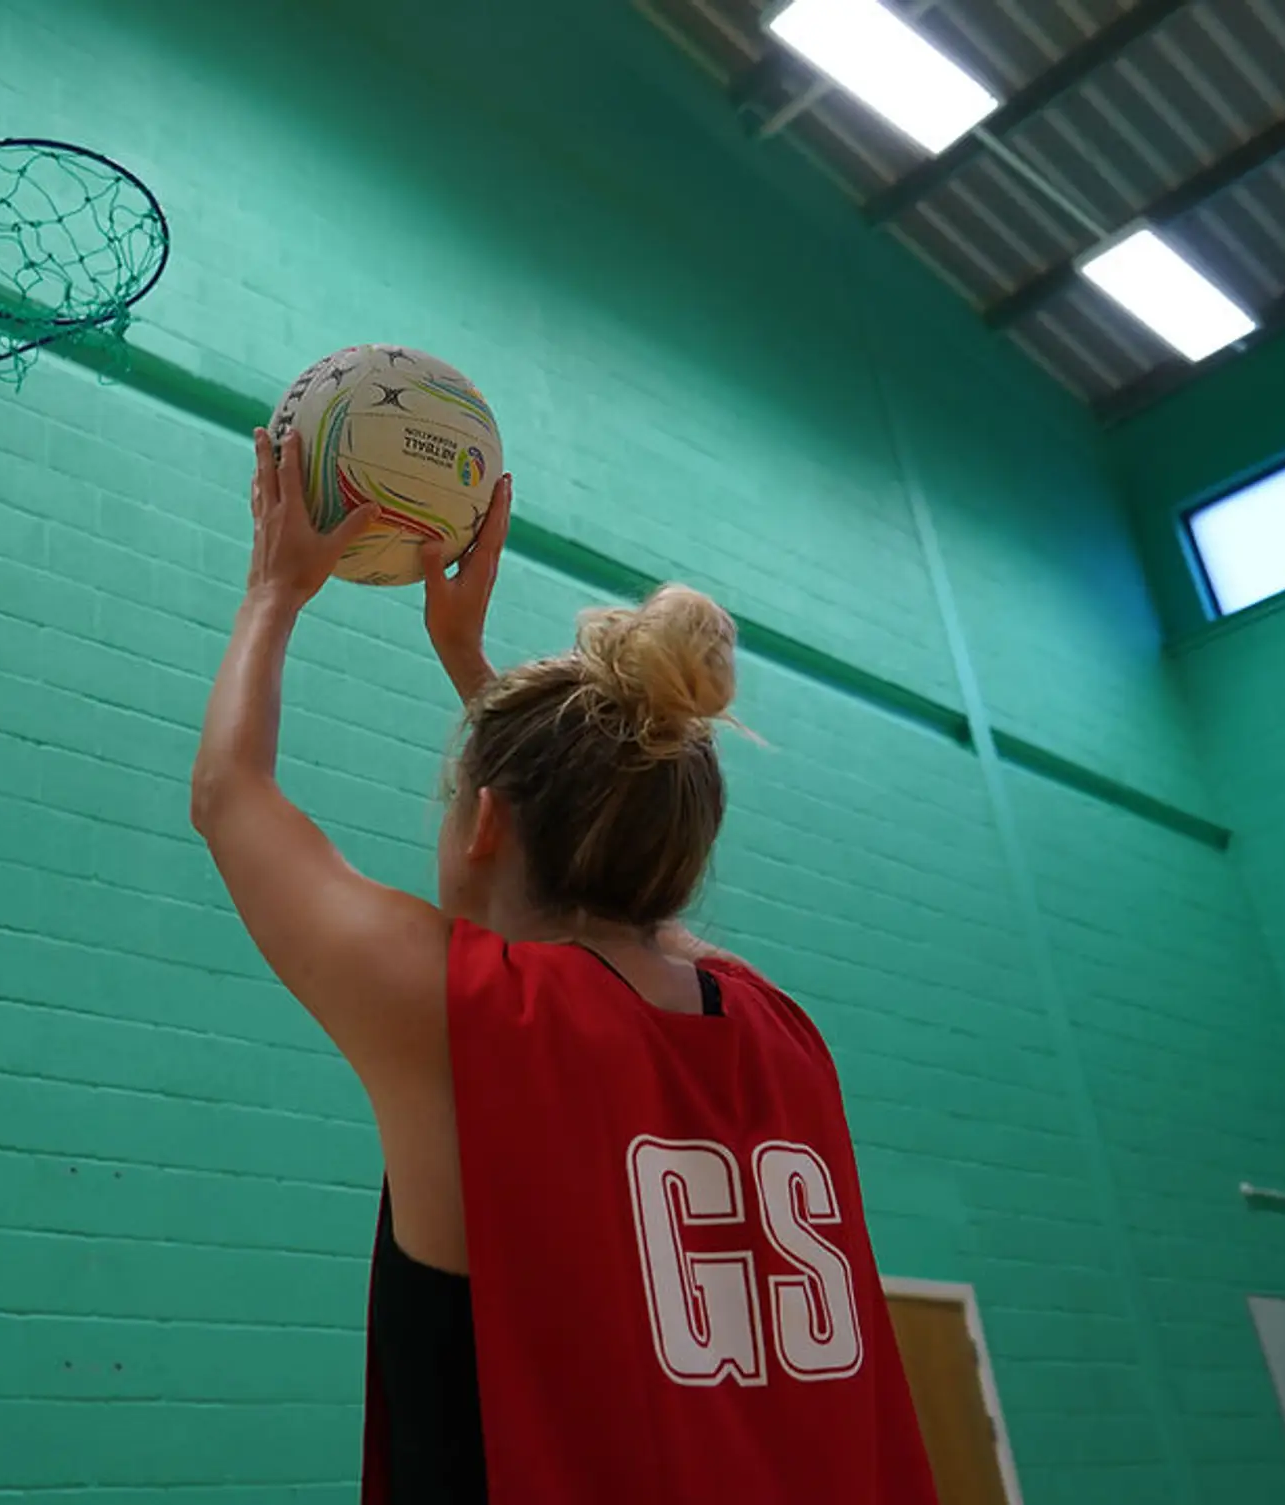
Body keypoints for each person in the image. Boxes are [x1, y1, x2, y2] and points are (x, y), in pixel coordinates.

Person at [190, 428, 941, 1505]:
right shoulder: (777, 1026)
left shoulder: (469, 1015)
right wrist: (475, 675)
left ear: (484, 823)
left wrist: (274, 587)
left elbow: (229, 795)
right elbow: (623, 885)